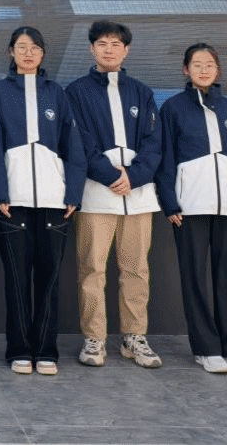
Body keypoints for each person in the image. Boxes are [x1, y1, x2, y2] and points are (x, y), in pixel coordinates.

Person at [0, 26, 84, 376]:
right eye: (21, 47)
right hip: (13, 200)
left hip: (54, 200)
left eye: (35, 48)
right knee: (16, 280)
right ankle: (18, 350)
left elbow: (73, 146)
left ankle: (46, 350)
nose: (28, 53)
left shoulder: (56, 92)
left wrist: (72, 193)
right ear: (10, 52)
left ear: (43, 54)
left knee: (49, 278)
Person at [67, 20, 163, 369]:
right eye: (102, 43)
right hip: (96, 192)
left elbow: (154, 141)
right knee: (92, 268)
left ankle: (133, 337)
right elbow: (78, 141)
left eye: (116, 44)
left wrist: (134, 176)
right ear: (91, 49)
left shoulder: (141, 91)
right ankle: (94, 338)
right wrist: (109, 175)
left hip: (138, 194)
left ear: (127, 50)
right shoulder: (76, 91)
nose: (109, 49)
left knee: (136, 269)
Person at [155, 43, 227, 374]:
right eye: (196, 64)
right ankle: (206, 348)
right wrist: (169, 201)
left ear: (218, 69)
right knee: (194, 279)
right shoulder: (173, 108)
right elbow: (165, 158)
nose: (203, 69)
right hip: (190, 206)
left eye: (209, 64)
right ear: (186, 70)